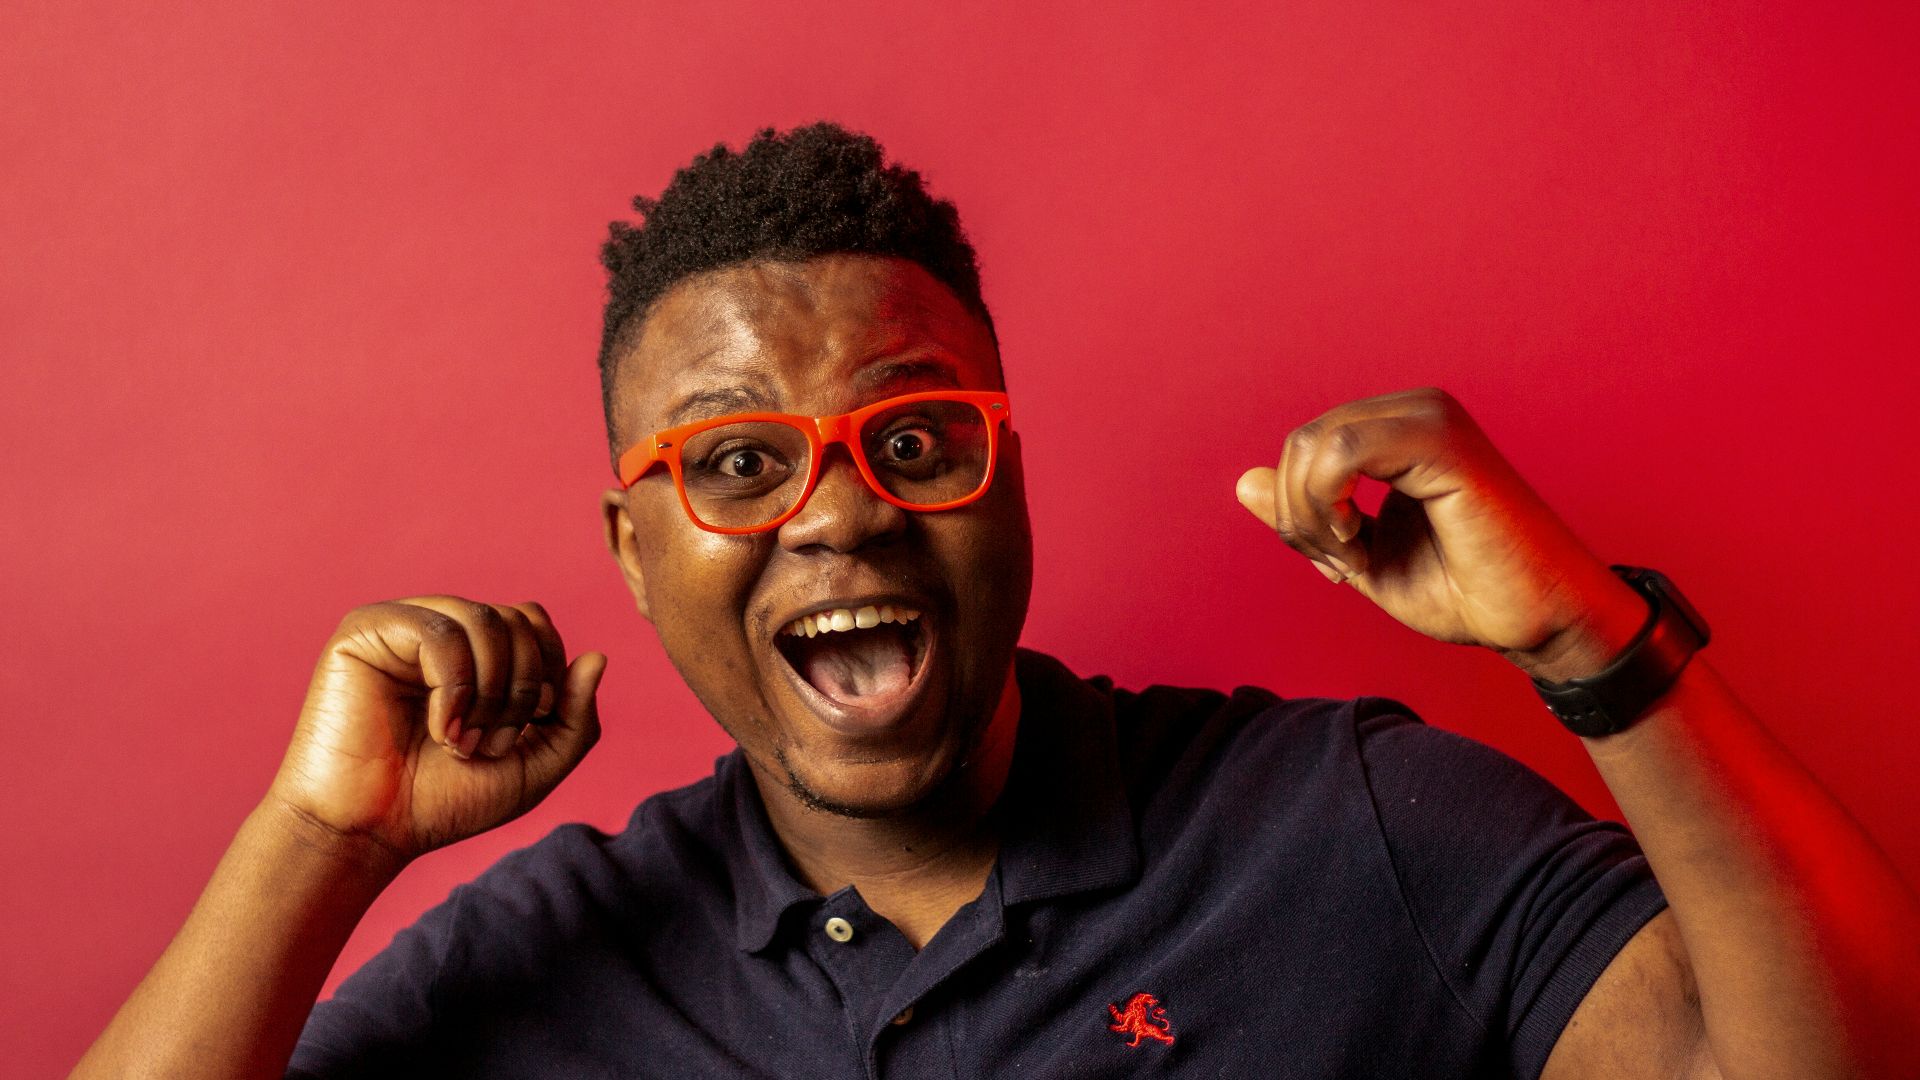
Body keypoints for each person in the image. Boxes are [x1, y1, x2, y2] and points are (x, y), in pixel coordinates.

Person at [73, 123, 1919, 1080]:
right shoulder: (559, 955)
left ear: (1008, 481)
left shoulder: (1352, 826)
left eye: (916, 435)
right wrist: (317, 838)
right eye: (734, 463)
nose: (839, 516)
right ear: (633, 553)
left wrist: (1590, 642)